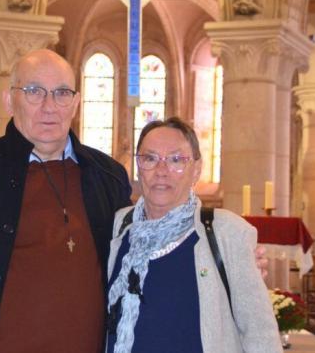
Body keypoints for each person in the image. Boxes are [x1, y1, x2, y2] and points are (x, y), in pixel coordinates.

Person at [0, 49, 269, 353]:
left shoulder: (105, 175)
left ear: (75, 102)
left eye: (61, 93)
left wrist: (237, 258)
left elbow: (144, 247)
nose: (49, 106)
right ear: (10, 99)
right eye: (34, 91)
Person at [106, 117, 282, 353]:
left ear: (196, 170)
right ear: (138, 167)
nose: (161, 171)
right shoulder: (118, 226)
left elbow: (260, 333)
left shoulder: (226, 232)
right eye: (150, 159)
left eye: (176, 160)